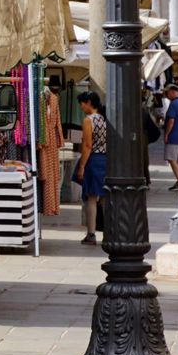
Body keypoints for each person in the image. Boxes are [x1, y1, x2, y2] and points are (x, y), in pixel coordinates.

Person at [76, 91, 108, 246]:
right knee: (104, 198)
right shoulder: (104, 119)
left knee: (91, 198)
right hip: (105, 160)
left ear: (88, 102)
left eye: (82, 103)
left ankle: (91, 234)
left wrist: (81, 166)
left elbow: (87, 146)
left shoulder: (89, 121)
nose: (81, 107)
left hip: (93, 160)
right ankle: (109, 232)